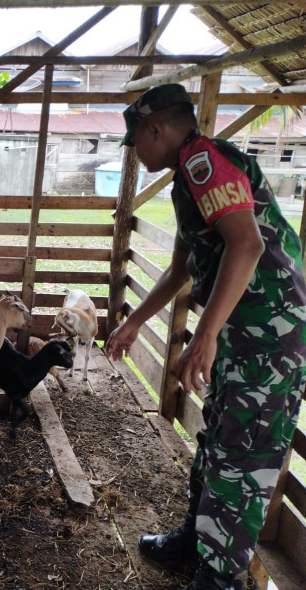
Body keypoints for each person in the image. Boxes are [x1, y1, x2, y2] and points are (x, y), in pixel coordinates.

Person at [106, 83, 306, 590]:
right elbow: (182, 266)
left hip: (270, 338)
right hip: (247, 331)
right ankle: (197, 542)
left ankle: (219, 579)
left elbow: (248, 244)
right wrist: (134, 322)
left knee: (243, 451)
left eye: (137, 141)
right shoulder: (187, 180)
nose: (136, 151)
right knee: (219, 435)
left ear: (157, 129)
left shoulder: (204, 161)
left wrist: (206, 333)